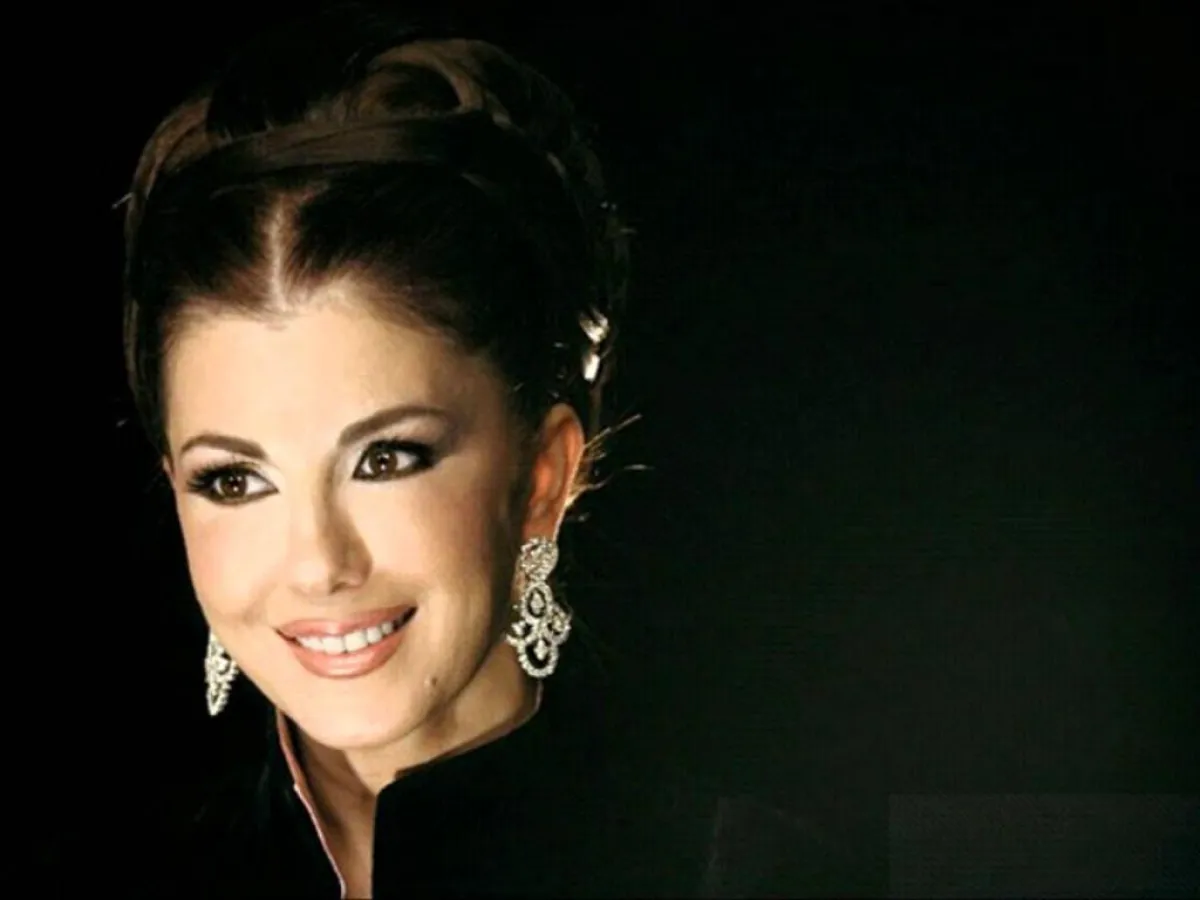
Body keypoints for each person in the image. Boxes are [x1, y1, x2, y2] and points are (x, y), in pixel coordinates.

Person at [114, 4, 866, 896]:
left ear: (543, 474)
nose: (318, 565)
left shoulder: (745, 875)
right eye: (235, 480)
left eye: (386, 459)